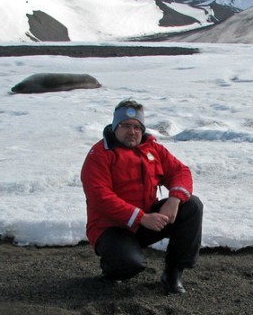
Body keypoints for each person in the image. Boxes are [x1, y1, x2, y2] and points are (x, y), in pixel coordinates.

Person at [80, 99, 204, 294]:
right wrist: (141, 217)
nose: (132, 131)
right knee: (129, 264)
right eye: (125, 125)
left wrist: (174, 199)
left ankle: (173, 274)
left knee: (192, 206)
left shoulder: (152, 149)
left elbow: (180, 171)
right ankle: (112, 269)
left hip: (147, 221)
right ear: (115, 126)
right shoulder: (99, 154)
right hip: (111, 227)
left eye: (137, 127)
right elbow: (100, 196)